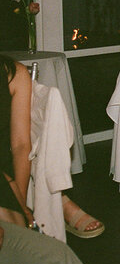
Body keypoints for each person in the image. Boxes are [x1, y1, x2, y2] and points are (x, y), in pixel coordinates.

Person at [0, 55, 104, 239]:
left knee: (19, 239)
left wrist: (22, 205)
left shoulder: (14, 73)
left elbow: (21, 146)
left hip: (4, 172)